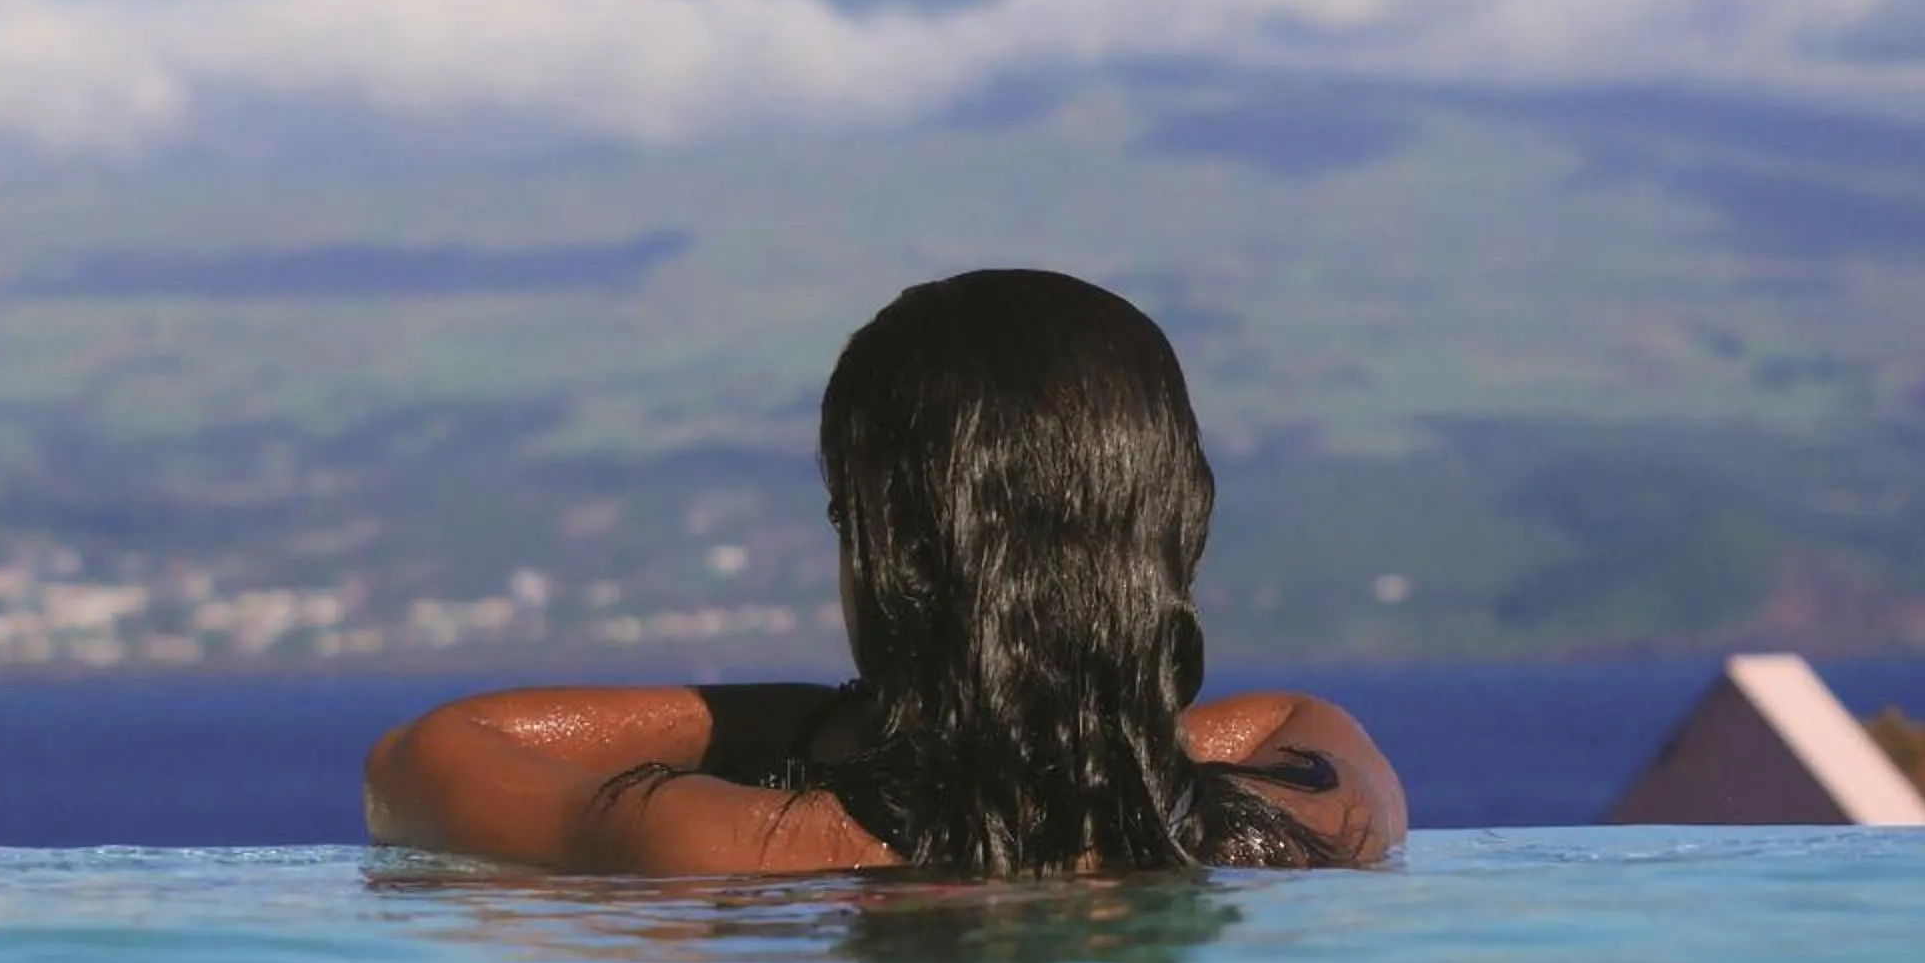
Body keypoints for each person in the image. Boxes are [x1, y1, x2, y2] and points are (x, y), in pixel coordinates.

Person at [363, 269, 1406, 874]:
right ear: (1175, 531)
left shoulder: (738, 845)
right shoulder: (1316, 818)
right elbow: (1283, 718)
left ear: (895, 561)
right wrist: (1072, 723)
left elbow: (420, 758)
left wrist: (828, 727)